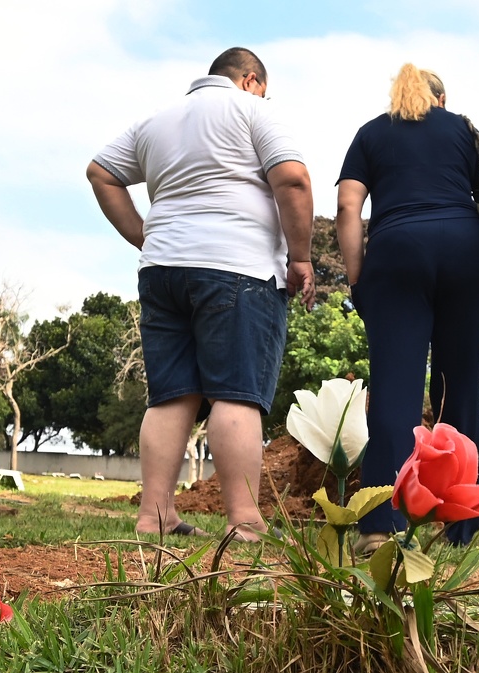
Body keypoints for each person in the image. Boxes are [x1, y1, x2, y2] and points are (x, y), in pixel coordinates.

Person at [86, 47, 315, 541]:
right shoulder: (254, 110)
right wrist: (300, 258)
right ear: (251, 80)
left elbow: (100, 172)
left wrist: (144, 235)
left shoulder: (156, 122)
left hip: (164, 271)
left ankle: (155, 516)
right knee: (236, 394)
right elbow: (292, 179)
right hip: (238, 268)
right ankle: (245, 522)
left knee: (172, 395)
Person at [335, 63, 479, 552]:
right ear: (441, 99)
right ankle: (463, 525)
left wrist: (357, 277)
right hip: (469, 254)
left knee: (395, 389)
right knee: (458, 386)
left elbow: (349, 206)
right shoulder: (462, 129)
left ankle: (378, 527)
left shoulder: (370, 133)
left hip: (397, 252)